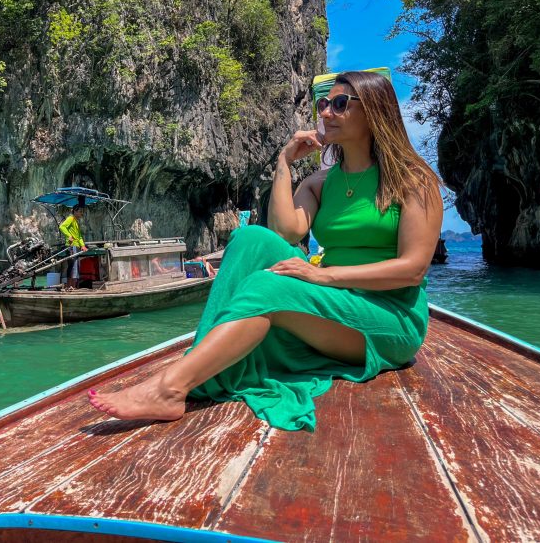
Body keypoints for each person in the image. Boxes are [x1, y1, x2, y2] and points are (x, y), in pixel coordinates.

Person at [89, 71, 442, 431]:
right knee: (251, 239)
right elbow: (285, 232)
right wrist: (284, 163)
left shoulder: (413, 179)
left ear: (374, 110)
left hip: (389, 317)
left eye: (339, 104)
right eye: (323, 104)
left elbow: (412, 269)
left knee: (268, 286)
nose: (325, 113)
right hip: (336, 299)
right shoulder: (321, 183)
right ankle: (201, 360)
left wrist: (323, 275)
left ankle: (171, 388)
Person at [59, 204, 87, 289]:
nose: (81, 213)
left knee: (76, 266)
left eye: (82, 212)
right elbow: (62, 227)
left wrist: (83, 245)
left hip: (76, 246)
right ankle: (70, 286)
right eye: (80, 211)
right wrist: (69, 236)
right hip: (72, 246)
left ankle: (73, 286)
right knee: (73, 267)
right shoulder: (70, 218)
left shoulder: (76, 221)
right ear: (75, 211)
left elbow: (79, 236)